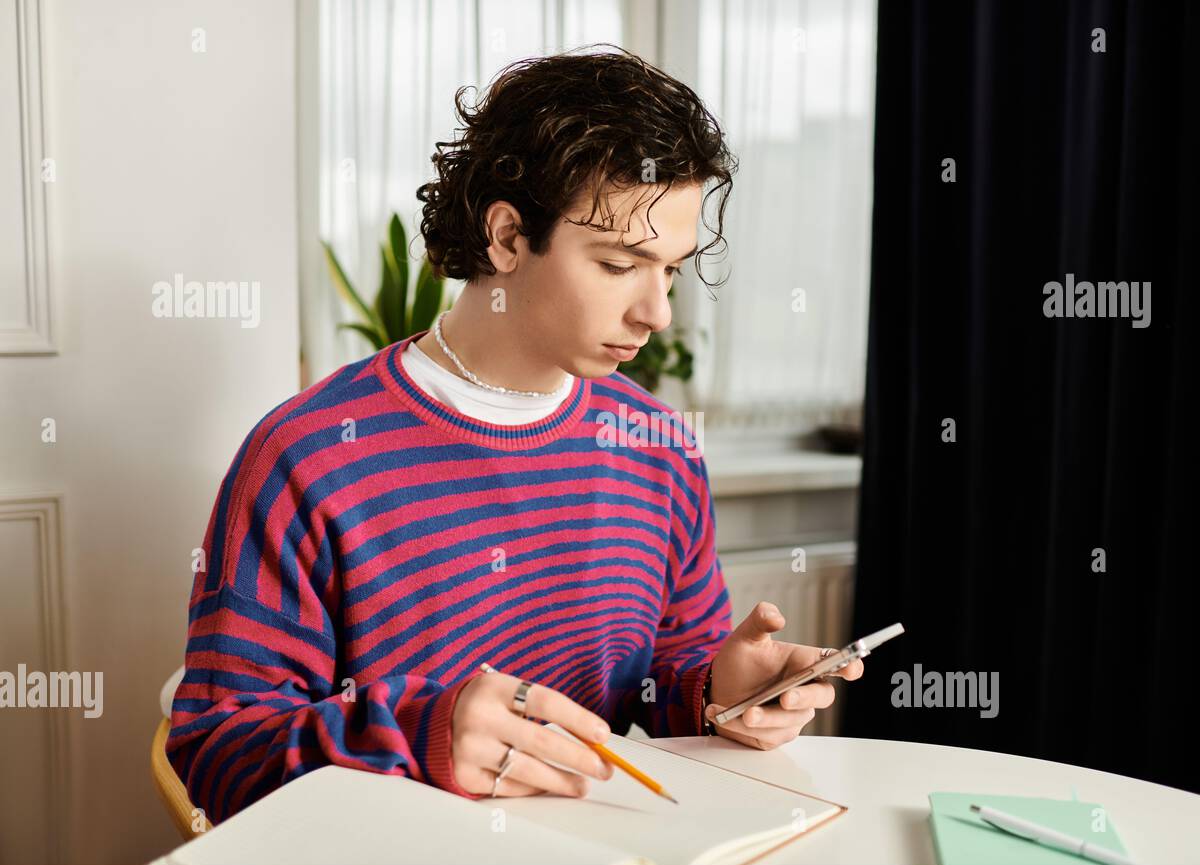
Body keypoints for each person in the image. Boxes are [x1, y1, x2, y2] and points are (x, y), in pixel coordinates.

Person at [167, 45, 863, 824]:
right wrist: (424, 735)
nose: (658, 312)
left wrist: (717, 695)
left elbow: (662, 682)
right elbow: (219, 752)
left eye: (669, 270)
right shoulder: (308, 457)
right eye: (618, 264)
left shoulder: (659, 445)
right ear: (505, 237)